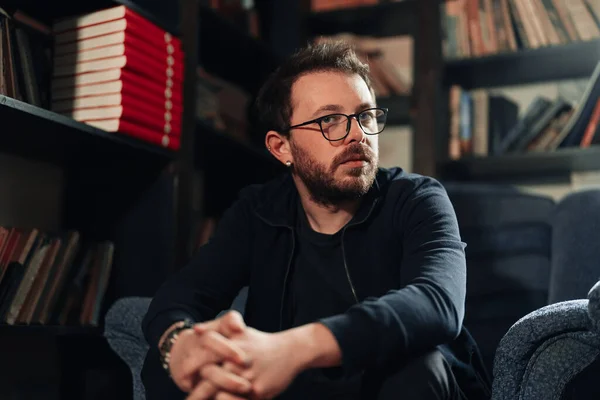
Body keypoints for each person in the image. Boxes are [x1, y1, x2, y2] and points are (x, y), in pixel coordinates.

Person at [141, 40, 491, 400]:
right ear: (282, 148)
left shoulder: (416, 198)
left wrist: (293, 349)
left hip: (392, 382)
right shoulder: (258, 211)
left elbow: (438, 303)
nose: (358, 134)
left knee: (417, 367)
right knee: (166, 367)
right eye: (329, 120)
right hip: (302, 388)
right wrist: (179, 345)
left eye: (366, 115)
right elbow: (181, 295)